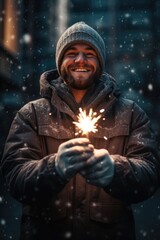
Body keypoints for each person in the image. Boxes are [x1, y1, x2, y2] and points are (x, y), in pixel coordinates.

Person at [1, 21, 160, 240]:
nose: (80, 60)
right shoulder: (31, 114)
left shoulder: (131, 113)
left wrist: (116, 170)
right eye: (72, 53)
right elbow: (13, 177)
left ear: (100, 62)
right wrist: (53, 168)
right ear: (60, 61)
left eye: (89, 53)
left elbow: (150, 174)